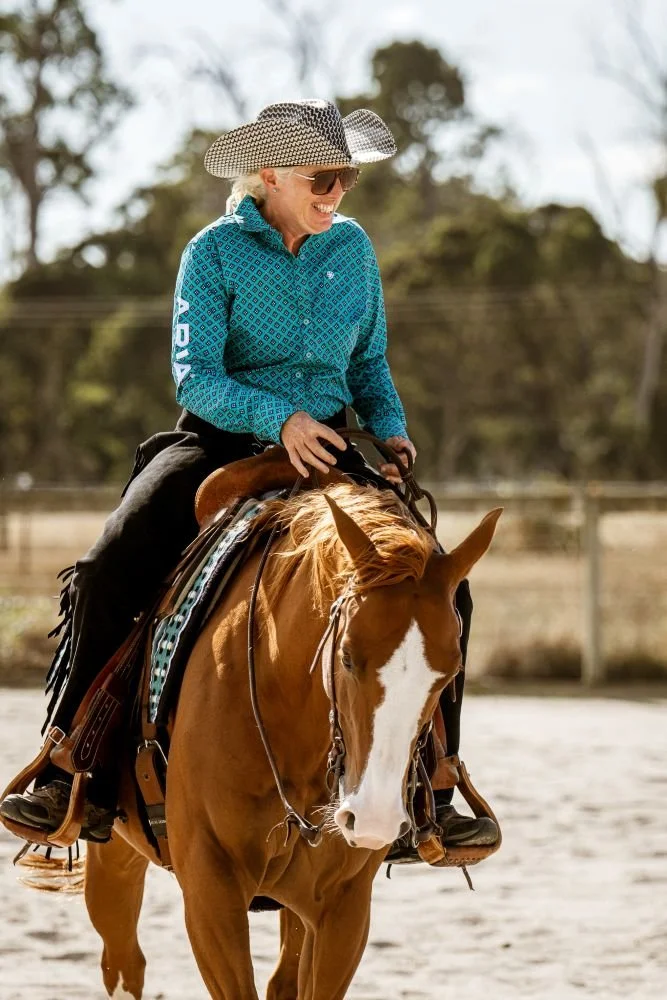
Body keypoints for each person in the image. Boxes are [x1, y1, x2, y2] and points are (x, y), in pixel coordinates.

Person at [0, 99, 496, 850]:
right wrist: (280, 421)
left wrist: (389, 428)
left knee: (442, 584)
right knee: (106, 570)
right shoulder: (212, 252)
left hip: (331, 445)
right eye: (322, 178)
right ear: (269, 175)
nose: (336, 194)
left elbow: (366, 362)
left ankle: (435, 786)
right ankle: (71, 770)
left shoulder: (353, 251)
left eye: (346, 179)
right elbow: (194, 377)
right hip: (222, 444)